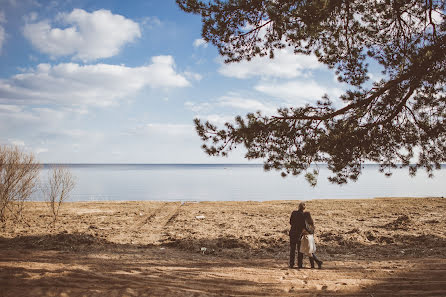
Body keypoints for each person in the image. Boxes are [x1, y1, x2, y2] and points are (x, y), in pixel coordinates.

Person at [289, 202, 306, 268]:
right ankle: (300, 264)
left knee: (292, 250)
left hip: (292, 233)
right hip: (299, 234)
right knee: (300, 250)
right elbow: (304, 225)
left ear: (298, 207)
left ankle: (291, 264)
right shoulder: (303, 215)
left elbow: (290, 222)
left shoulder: (293, 213)